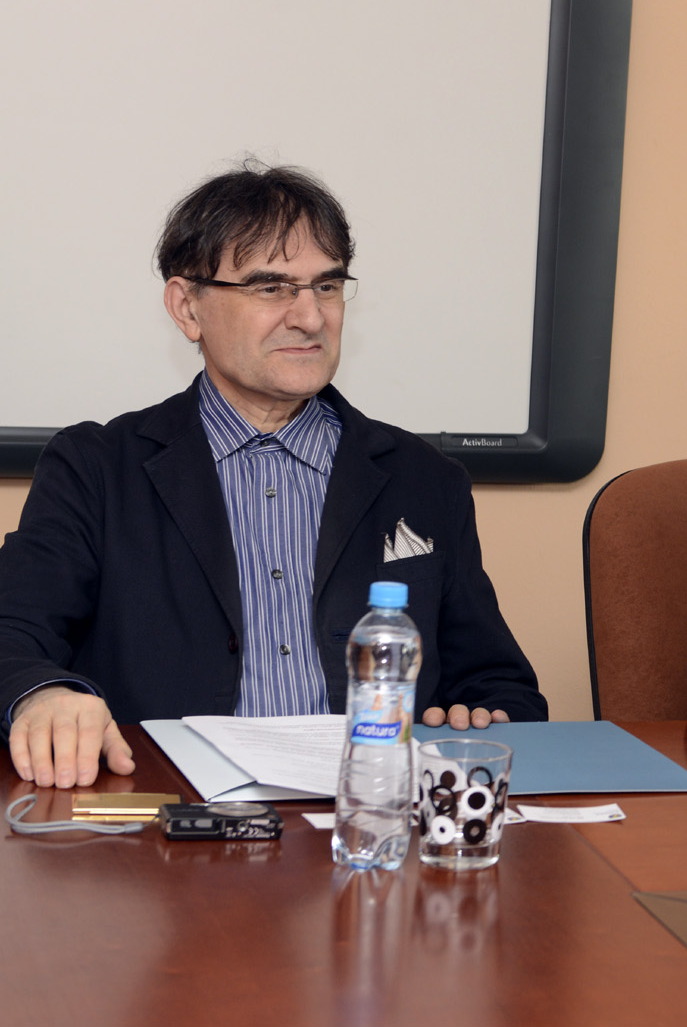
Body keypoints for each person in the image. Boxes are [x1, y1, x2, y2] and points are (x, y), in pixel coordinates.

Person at [1, 163, 546, 790]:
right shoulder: (97, 468)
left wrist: (480, 714)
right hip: (169, 825)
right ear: (187, 307)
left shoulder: (423, 479)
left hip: (364, 822)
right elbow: (12, 631)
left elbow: (500, 684)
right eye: (270, 288)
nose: (310, 318)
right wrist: (42, 693)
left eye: (328, 287)